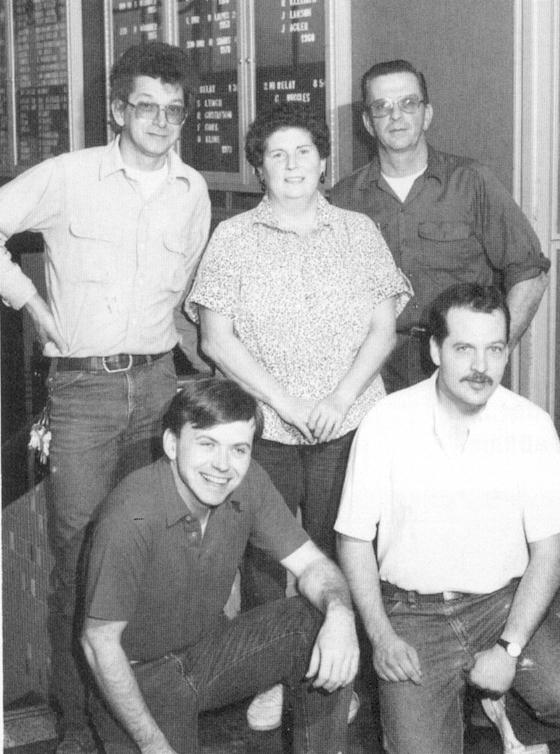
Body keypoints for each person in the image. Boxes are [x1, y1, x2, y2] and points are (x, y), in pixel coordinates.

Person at [0, 42, 211, 752]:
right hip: (82, 390)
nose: (161, 121)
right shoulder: (69, 176)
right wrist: (29, 301)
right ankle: (81, 727)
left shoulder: (192, 190)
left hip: (158, 385)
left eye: (175, 109)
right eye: (146, 106)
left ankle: (141, 714)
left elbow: (185, 300)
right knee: (82, 558)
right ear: (118, 109)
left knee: (149, 547)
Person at [186, 102, 411, 731]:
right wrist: (286, 405)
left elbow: (384, 329)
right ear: (258, 166)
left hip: (350, 425)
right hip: (267, 431)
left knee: (349, 550)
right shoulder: (233, 238)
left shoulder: (359, 232)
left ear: (322, 161)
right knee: (266, 563)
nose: (291, 165)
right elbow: (216, 339)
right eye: (276, 154)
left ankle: (345, 676)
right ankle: (274, 679)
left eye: (303, 152)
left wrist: (338, 399)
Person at [335, 283, 560, 754]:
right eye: (464, 349)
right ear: (435, 350)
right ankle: (483, 704)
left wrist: (510, 649)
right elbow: (353, 540)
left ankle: (510, 715)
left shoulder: (532, 426)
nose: (481, 366)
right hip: (413, 615)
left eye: (494, 349)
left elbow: (549, 552)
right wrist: (382, 637)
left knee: (555, 689)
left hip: (503, 604)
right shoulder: (386, 422)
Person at [80, 377, 359, 754]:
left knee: (316, 619)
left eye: (239, 449)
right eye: (207, 444)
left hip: (206, 651)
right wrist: (153, 745)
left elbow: (313, 565)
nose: (223, 465)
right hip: (139, 679)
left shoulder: (248, 482)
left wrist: (341, 615)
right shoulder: (131, 515)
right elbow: (99, 644)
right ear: (172, 444)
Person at [330, 59, 550, 393]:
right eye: (382, 107)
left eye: (408, 103)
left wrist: (495, 351)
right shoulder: (345, 198)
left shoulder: (472, 183)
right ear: (368, 123)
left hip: (459, 365)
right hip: (376, 373)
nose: (396, 116)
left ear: (427, 114)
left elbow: (530, 274)